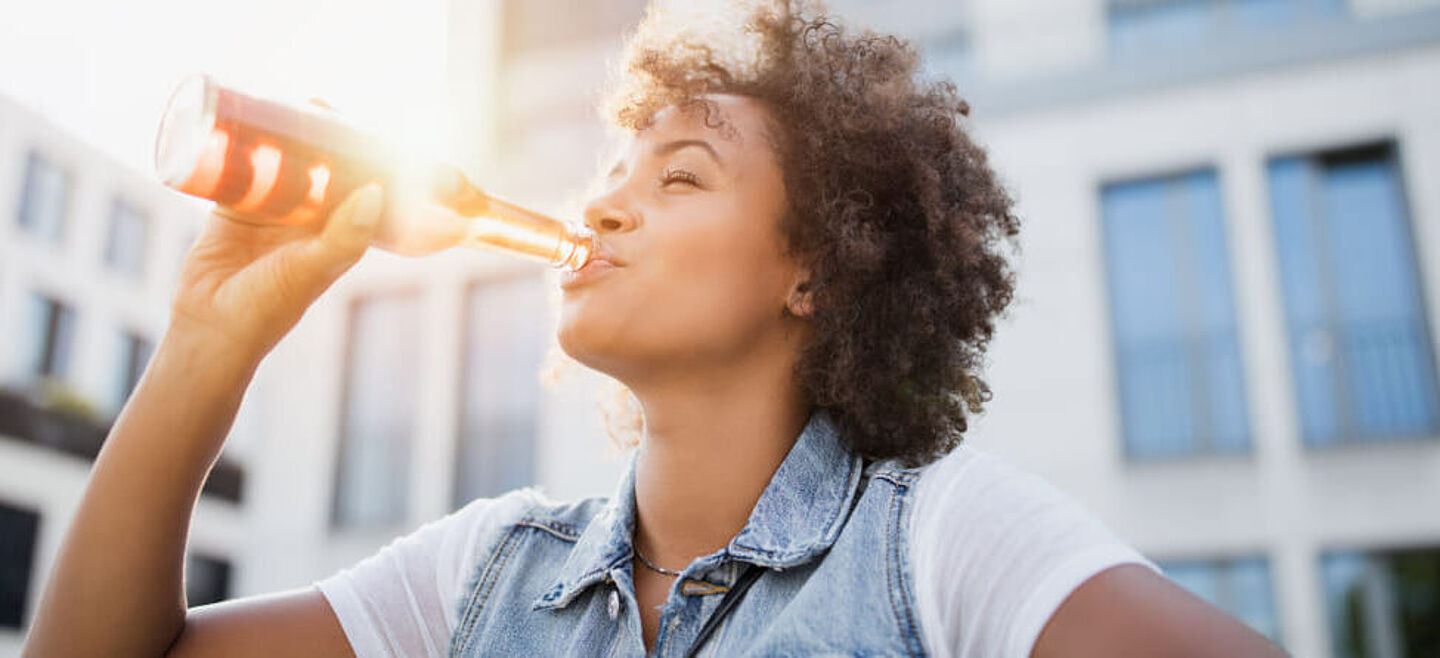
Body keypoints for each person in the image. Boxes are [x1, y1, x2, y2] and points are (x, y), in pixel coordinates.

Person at [24, 1, 1289, 656]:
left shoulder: (942, 544)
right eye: (613, 168)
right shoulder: (485, 575)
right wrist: (207, 341)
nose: (609, 200)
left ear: (817, 270)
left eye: (680, 175)